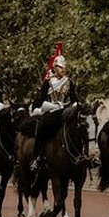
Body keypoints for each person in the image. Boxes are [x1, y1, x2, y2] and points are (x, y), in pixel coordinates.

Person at [30, 42, 79, 171]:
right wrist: (51, 106)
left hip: (65, 111)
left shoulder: (69, 82)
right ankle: (37, 157)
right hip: (51, 112)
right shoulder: (48, 82)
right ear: (55, 68)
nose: (63, 70)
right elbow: (40, 100)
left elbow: (74, 98)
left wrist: (75, 105)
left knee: (81, 127)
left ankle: (81, 156)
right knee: (42, 128)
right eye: (61, 67)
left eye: (64, 67)